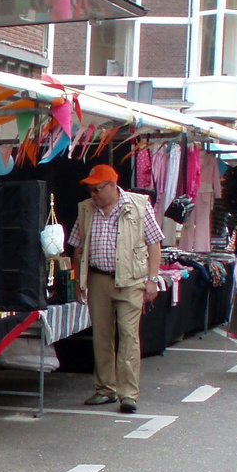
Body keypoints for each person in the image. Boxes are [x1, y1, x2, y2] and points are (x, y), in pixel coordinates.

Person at [67, 164, 163, 415]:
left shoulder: (139, 205)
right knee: (101, 335)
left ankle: (129, 394)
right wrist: (78, 282)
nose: (93, 195)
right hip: (99, 279)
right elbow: (77, 249)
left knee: (129, 335)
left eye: (97, 189)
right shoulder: (87, 209)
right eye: (90, 190)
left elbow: (154, 244)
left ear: (112, 185)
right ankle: (105, 389)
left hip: (131, 280)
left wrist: (152, 279)